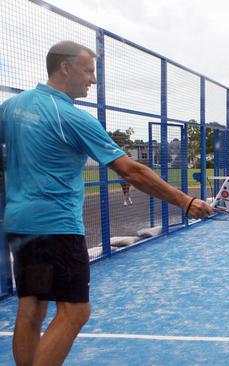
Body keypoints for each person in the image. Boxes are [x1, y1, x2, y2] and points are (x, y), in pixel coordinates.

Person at [0, 41, 214, 366]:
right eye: (89, 71)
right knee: (75, 313)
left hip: (19, 224)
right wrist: (185, 201)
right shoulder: (73, 117)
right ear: (65, 68)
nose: (93, 80)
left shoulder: (12, 108)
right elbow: (131, 170)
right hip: (56, 228)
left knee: (32, 308)